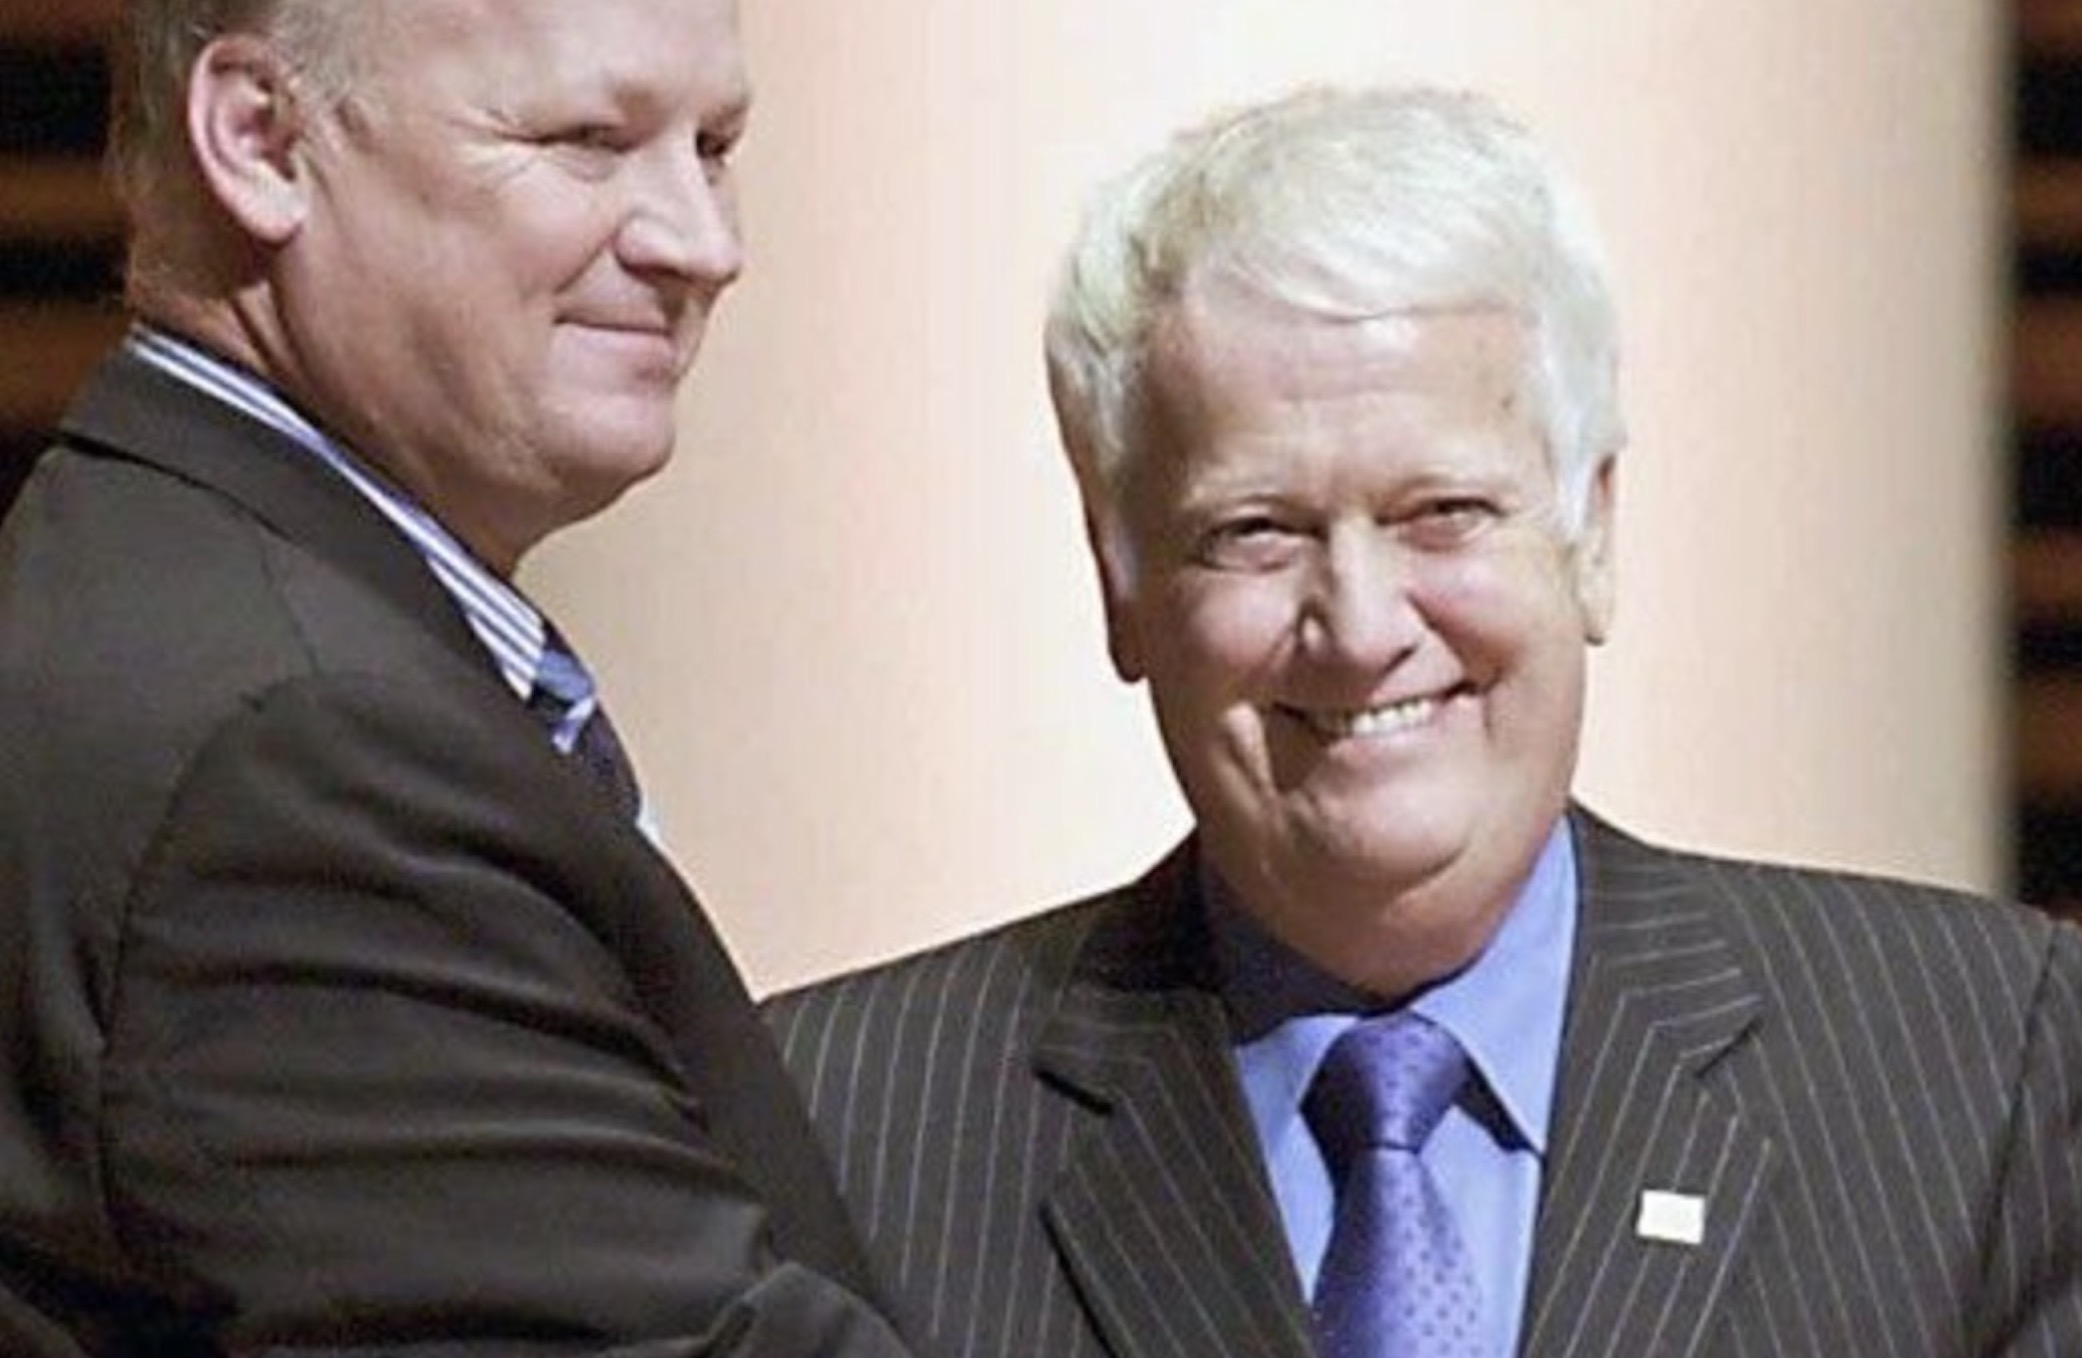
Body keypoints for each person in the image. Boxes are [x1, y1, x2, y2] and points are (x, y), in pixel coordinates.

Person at [766, 86, 2082, 1358]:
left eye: (1442, 513)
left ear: (1592, 535)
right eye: (1256, 530)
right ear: (1121, 585)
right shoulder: (842, 1128)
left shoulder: (1975, 1066)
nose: (1359, 625)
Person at [0, 1, 918, 1353]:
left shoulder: (205, 609)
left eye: (713, 148)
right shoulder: (298, 757)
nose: (703, 245)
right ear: (260, 141)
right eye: (588, 140)